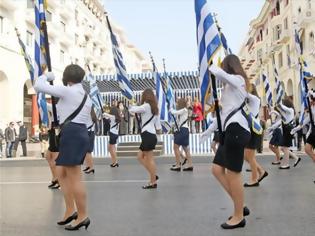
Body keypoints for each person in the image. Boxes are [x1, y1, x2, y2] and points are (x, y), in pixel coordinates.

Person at [34, 64, 92, 230]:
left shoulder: (69, 91)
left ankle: (82, 216)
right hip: (77, 132)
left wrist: (47, 76)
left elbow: (38, 85)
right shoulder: (85, 95)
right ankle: (69, 210)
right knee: (61, 173)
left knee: (74, 176)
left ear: (67, 77)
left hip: (72, 133)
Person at [200, 54, 251, 229]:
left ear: (228, 66)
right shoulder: (229, 88)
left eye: (223, 66)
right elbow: (223, 115)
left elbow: (225, 77)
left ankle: (238, 216)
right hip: (229, 131)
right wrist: (208, 131)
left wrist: (213, 67)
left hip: (237, 130)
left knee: (233, 174)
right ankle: (240, 204)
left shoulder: (239, 80)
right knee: (216, 169)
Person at [129, 89, 161, 189]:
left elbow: (133, 110)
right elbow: (158, 126)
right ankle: (153, 175)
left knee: (149, 159)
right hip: (151, 135)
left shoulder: (146, 106)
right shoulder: (155, 108)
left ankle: (152, 182)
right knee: (140, 156)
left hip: (147, 135)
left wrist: (131, 105)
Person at [243, 84, 268, 187]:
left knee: (250, 156)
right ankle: (261, 171)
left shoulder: (255, 99)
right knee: (247, 156)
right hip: (250, 129)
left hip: (254, 129)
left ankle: (254, 179)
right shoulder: (248, 102)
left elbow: (245, 94)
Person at [268, 97, 301, 169]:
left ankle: (286, 164)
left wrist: (279, 104)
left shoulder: (290, 110)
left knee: (285, 147)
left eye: (283, 103)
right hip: (286, 131)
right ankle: (296, 158)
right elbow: (280, 120)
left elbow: (283, 108)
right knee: (283, 148)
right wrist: (272, 127)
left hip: (289, 130)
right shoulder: (285, 113)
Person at [170, 98, 194, 171]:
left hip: (182, 130)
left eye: (177, 103)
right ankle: (190, 165)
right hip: (184, 130)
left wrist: (170, 109)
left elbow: (174, 112)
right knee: (186, 148)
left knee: (175, 147)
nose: (176, 104)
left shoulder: (184, 110)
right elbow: (177, 122)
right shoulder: (182, 112)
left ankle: (178, 165)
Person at [83, 108, 98, 174]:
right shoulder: (92, 115)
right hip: (91, 132)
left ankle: (91, 168)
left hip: (88, 132)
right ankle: (88, 166)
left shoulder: (87, 114)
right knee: (87, 151)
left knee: (87, 152)